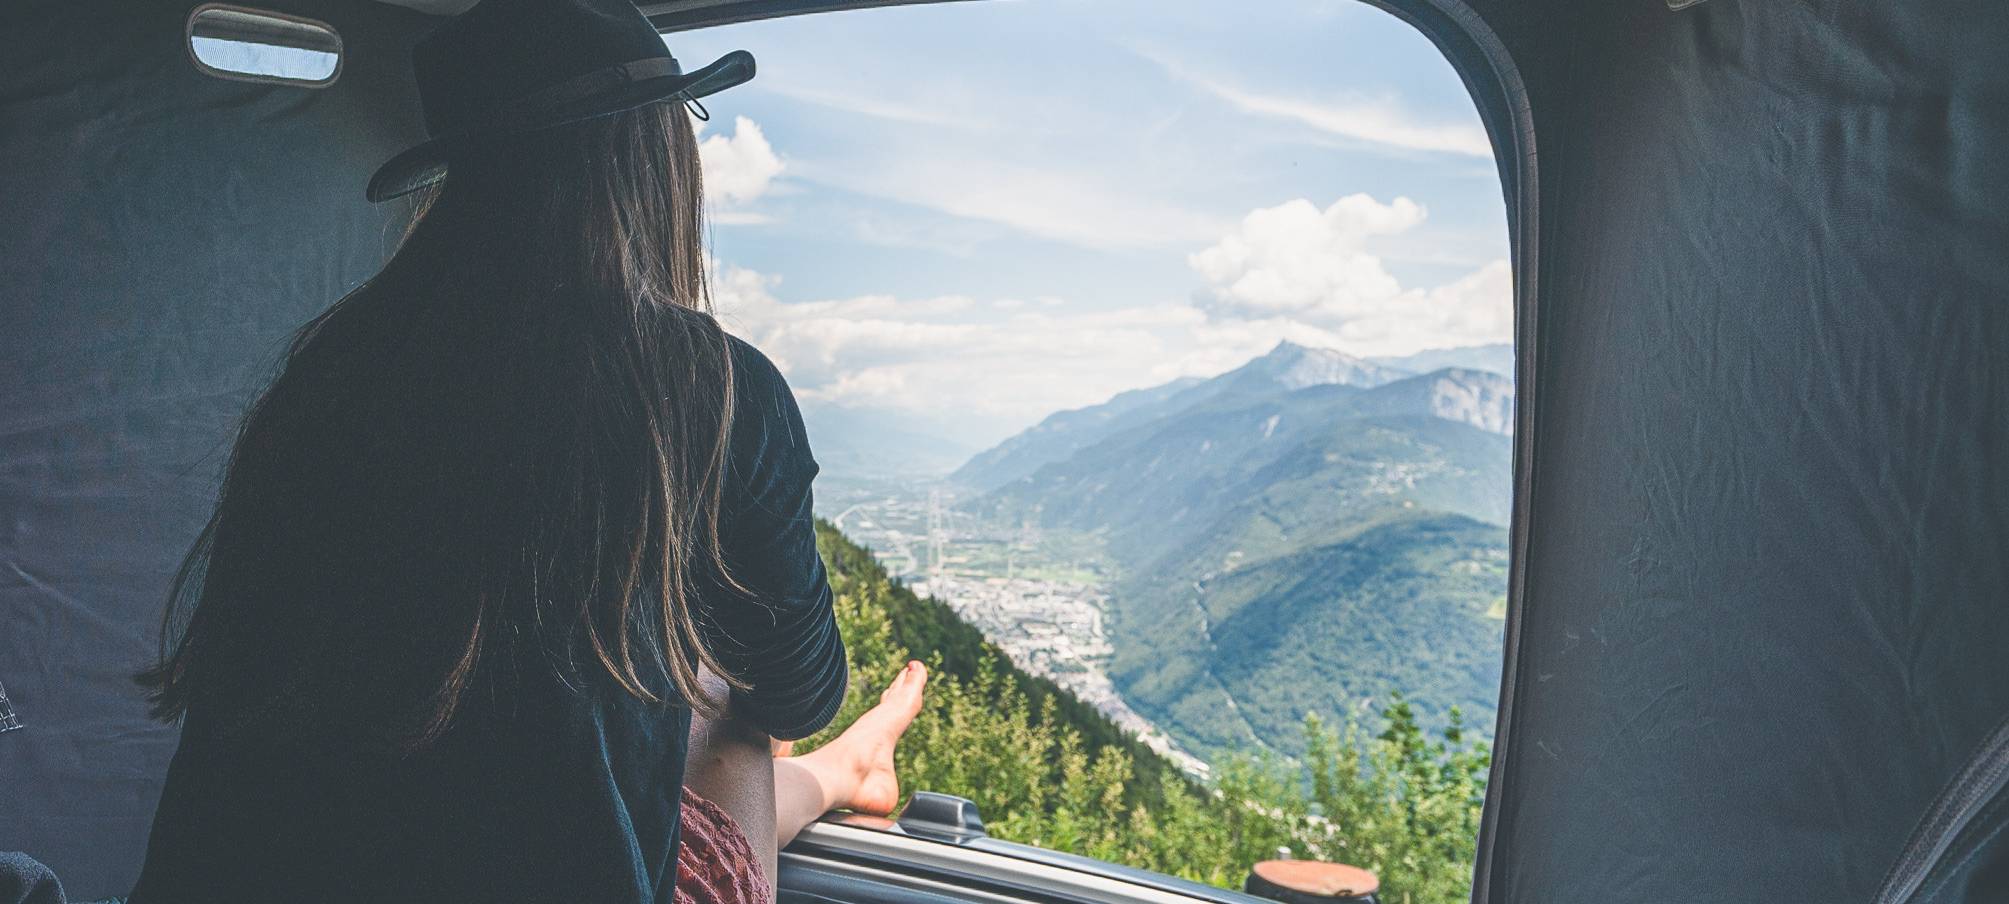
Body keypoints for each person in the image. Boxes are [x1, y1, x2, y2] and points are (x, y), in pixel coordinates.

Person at [125, 1, 913, 901]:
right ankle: (849, 766)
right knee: (725, 714)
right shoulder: (713, 387)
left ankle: (850, 769)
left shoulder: (331, 372)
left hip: (242, 876)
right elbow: (795, 696)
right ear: (652, 156)